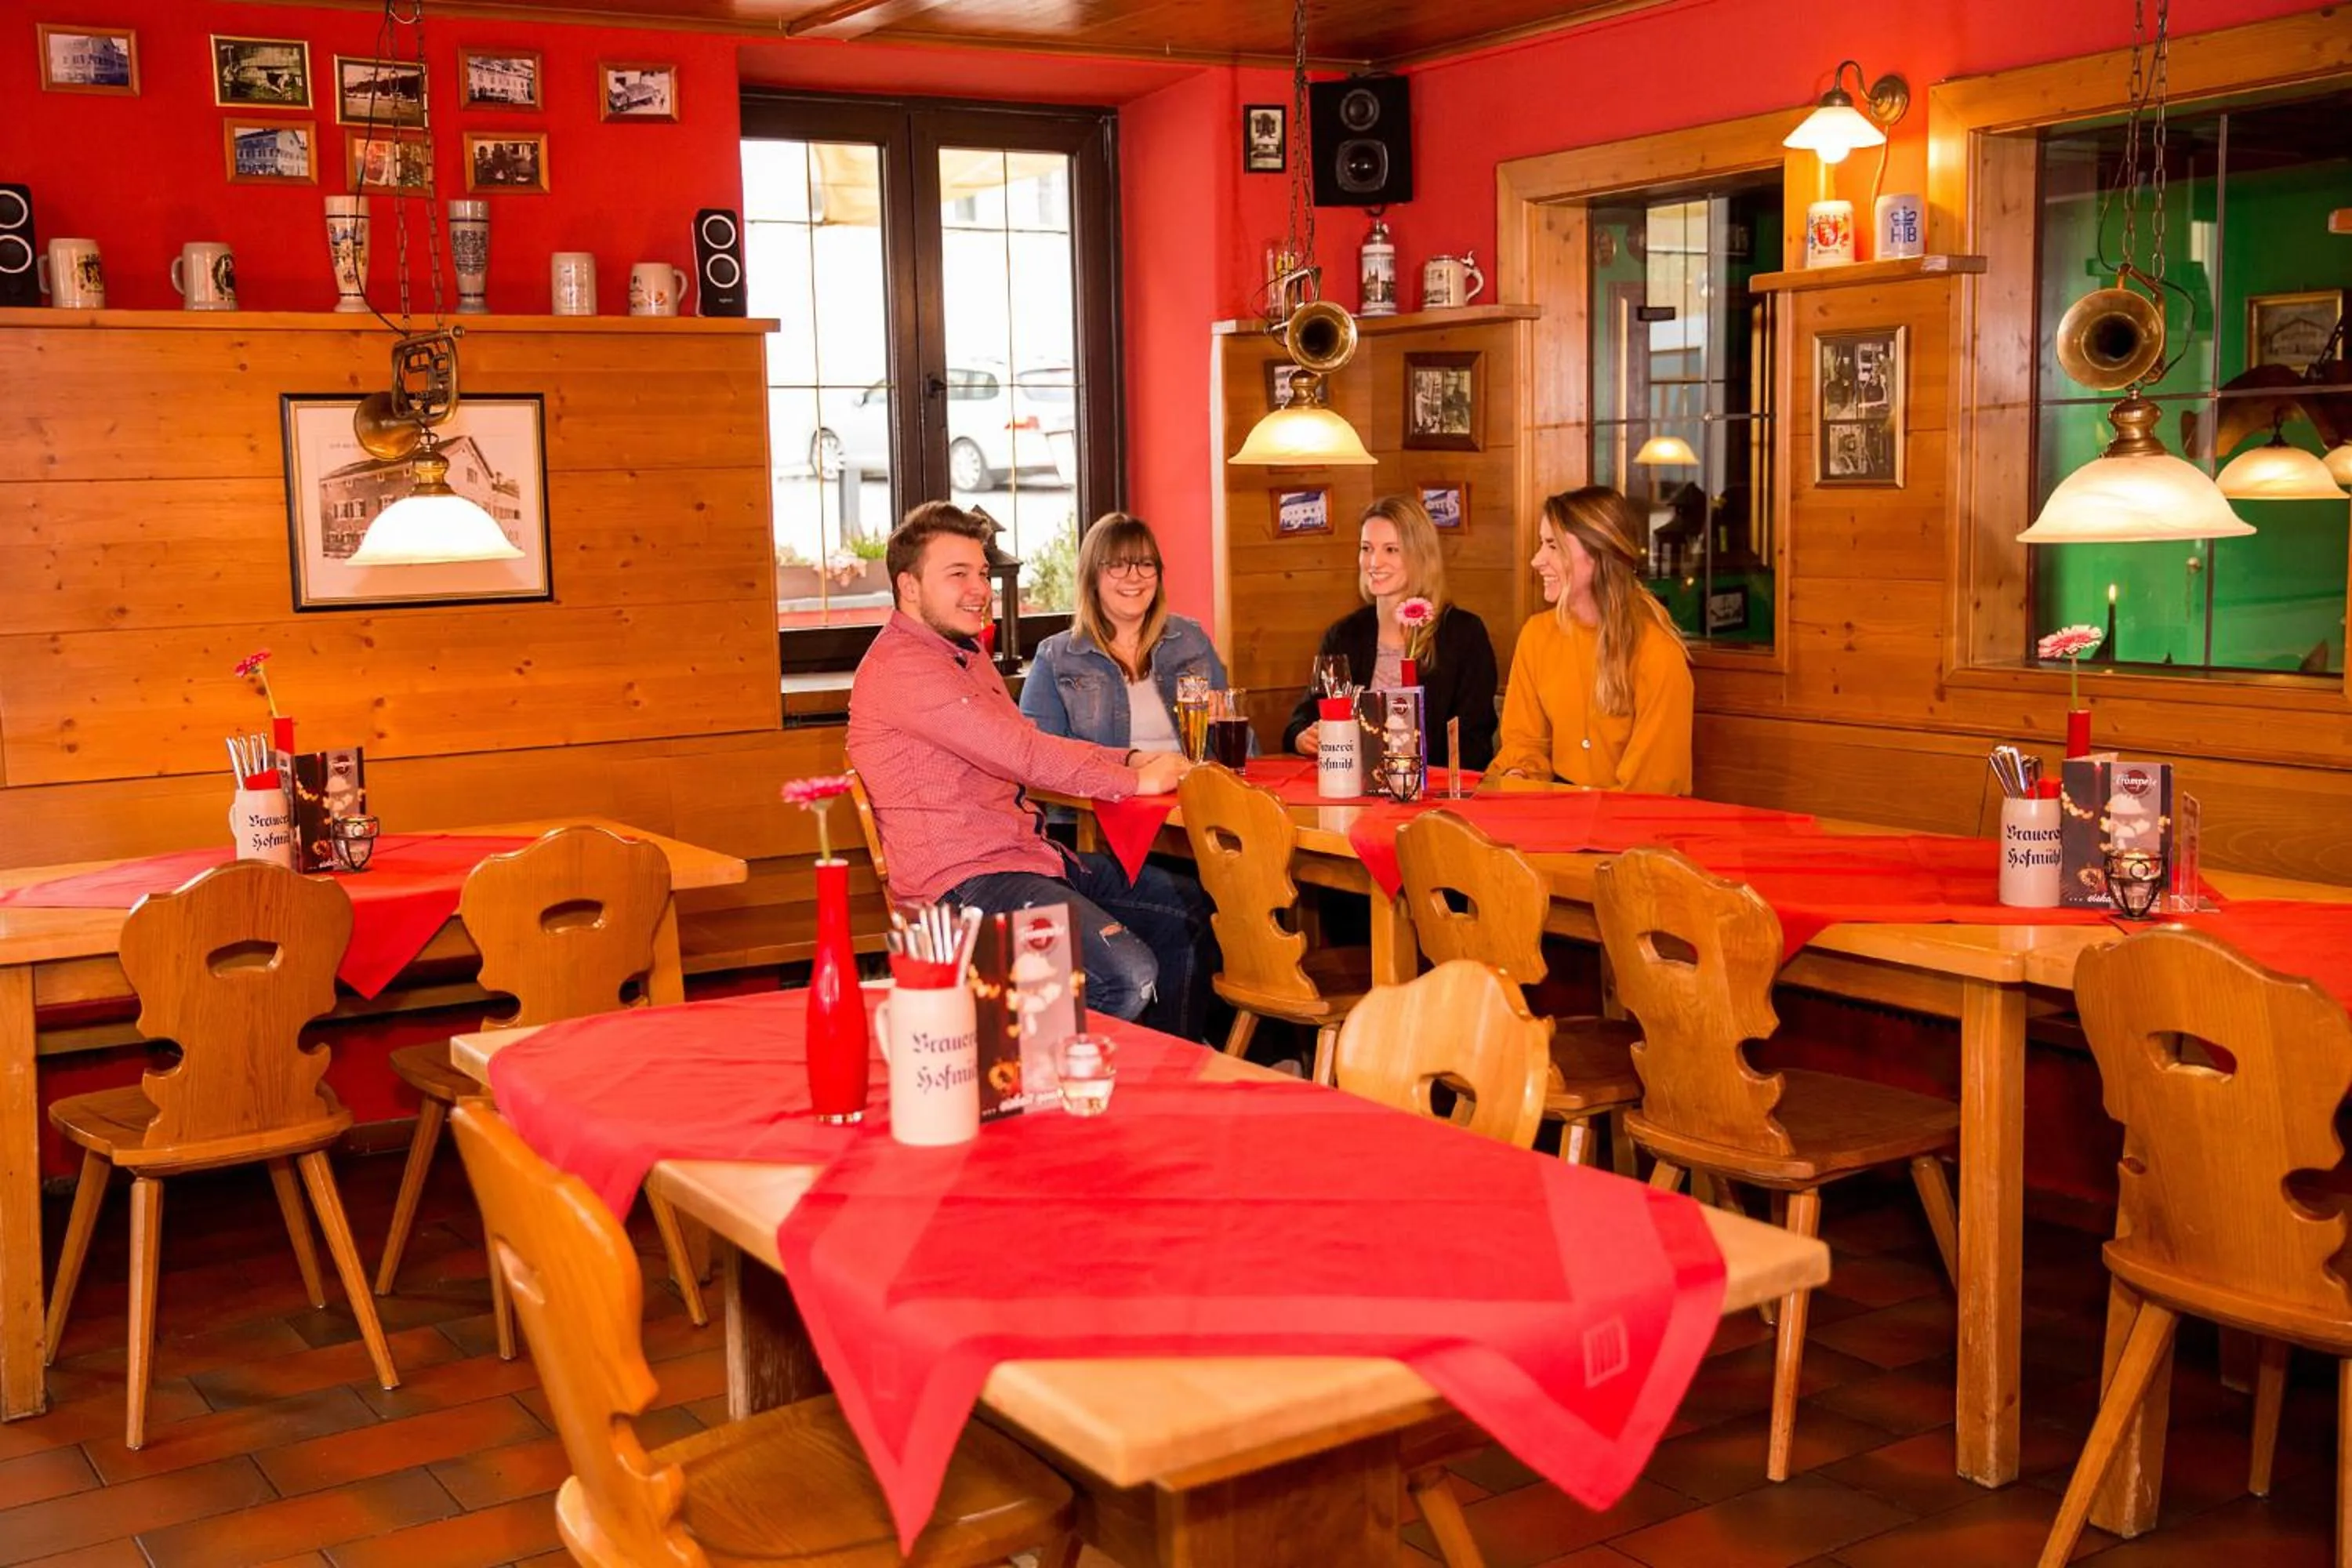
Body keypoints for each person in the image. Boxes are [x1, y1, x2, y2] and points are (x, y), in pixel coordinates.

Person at [848, 501, 1210, 1036]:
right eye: (958, 575)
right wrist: (1135, 780)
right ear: (908, 586)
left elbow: (1026, 742)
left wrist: (1129, 758)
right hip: (963, 887)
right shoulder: (906, 668)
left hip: (1028, 859)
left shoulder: (963, 654)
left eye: (982, 573)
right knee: (1128, 976)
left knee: (1194, 911)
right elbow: (1024, 757)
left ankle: (1161, 1083)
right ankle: (1049, 1080)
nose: (980, 589)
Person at [1490, 485, 1693, 793]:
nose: (1536, 560)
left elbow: (1651, 788)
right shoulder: (1537, 635)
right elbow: (1525, 743)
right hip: (1551, 819)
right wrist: (1518, 774)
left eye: (1552, 546)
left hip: (1629, 830)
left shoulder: (1659, 654)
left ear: (1600, 553)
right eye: (1541, 544)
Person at [1281, 495, 1497, 768]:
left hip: (1433, 798)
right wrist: (1303, 737)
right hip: (1352, 790)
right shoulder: (1344, 635)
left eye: (1391, 550)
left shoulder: (1463, 634)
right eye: (1367, 548)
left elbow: (1474, 740)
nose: (1374, 562)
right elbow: (1302, 719)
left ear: (1420, 555)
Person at [1020, 512, 1230, 753]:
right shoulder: (1055, 657)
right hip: (1110, 790)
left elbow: (1240, 749)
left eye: (1145, 564)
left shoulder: (1191, 639)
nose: (1134, 577)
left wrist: (1222, 718)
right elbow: (1038, 759)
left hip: (1197, 787)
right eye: (1117, 566)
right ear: (1091, 578)